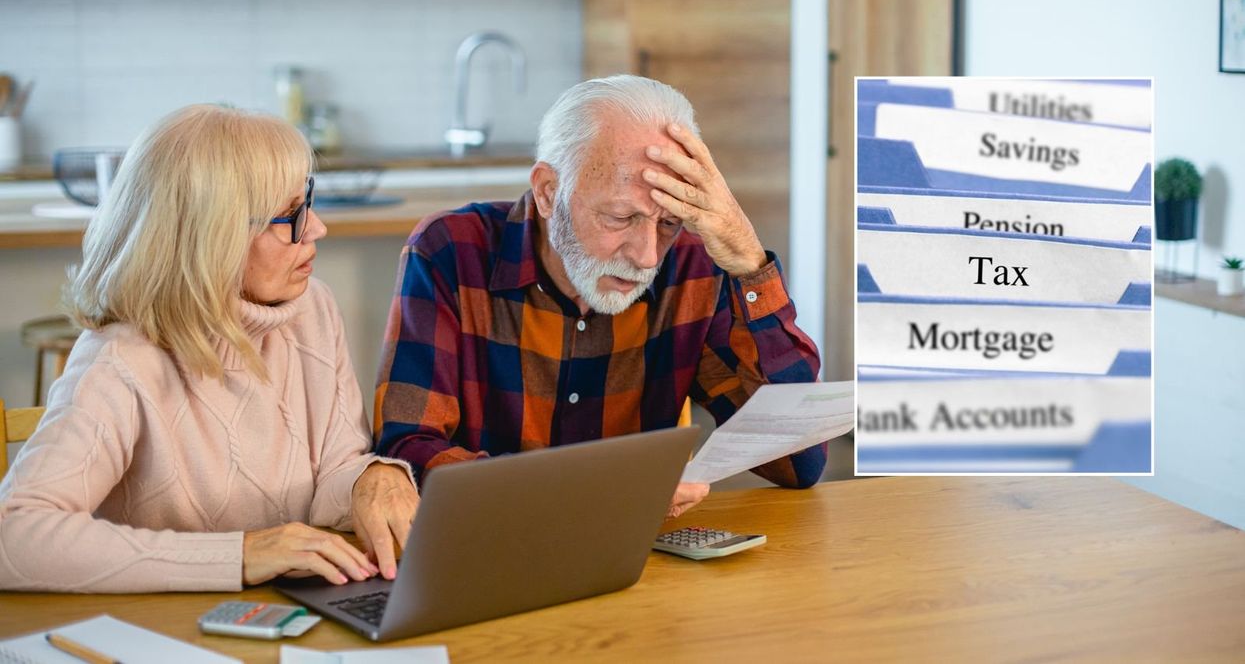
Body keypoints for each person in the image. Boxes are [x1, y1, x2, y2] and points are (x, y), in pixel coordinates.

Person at [0, 105, 419, 593]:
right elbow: (15, 535)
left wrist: (371, 477)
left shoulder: (312, 308)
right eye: (290, 215)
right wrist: (238, 555)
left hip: (291, 614)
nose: (318, 228)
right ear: (212, 236)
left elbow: (336, 466)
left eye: (306, 202)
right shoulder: (118, 360)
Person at [374, 75, 825, 517]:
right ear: (549, 192)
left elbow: (798, 462)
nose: (648, 257)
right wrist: (591, 495)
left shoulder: (692, 265)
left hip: (638, 562)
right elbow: (407, 451)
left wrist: (749, 263)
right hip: (491, 550)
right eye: (619, 217)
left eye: (668, 223)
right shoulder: (450, 251)